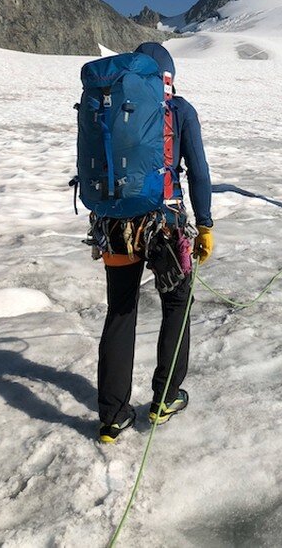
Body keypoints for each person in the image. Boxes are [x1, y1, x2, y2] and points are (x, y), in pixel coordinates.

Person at [97, 42, 213, 443]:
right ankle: (165, 397)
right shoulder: (180, 110)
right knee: (178, 302)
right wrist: (207, 224)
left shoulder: (113, 105)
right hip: (165, 225)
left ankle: (113, 416)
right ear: (170, 76)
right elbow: (198, 173)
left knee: (121, 309)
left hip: (114, 226)